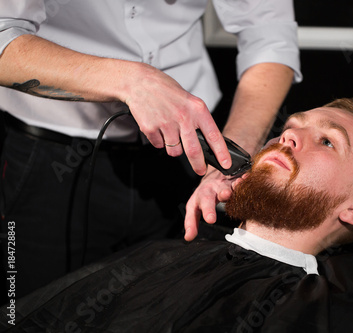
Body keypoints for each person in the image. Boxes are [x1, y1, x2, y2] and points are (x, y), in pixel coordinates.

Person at [0, 98, 353, 332]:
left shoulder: (345, 310)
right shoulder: (164, 258)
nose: (288, 137)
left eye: (327, 141)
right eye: (291, 128)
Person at [0, 1, 301, 298]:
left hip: (188, 162)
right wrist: (130, 81)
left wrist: (233, 151)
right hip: (53, 166)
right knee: (39, 307)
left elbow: (269, 35)